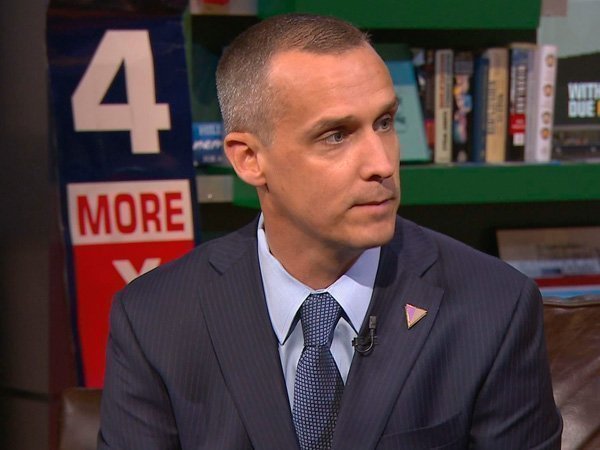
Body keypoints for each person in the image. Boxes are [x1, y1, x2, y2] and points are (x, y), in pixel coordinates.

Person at [98, 13, 562, 449]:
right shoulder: (155, 319)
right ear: (249, 159)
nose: (382, 164)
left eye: (385, 123)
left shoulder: (493, 307)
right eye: (336, 135)